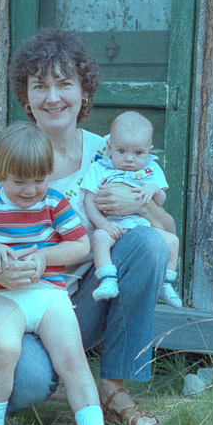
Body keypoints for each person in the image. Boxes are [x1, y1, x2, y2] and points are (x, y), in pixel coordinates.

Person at [0, 28, 172, 425]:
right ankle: (22, 369)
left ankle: (112, 385)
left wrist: (139, 204)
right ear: (26, 96)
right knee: (30, 385)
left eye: (64, 84)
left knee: (147, 242)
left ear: (84, 92)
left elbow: (167, 231)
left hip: (70, 305)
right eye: (40, 86)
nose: (53, 97)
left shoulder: (110, 153)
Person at [0, 122, 132, 425]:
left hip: (50, 295)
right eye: (20, 181)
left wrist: (45, 256)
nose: (31, 190)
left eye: (39, 179)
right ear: (1, 173)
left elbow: (79, 243)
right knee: (3, 349)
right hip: (5, 298)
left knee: (72, 359)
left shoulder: (55, 202)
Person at [80, 111, 182, 308]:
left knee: (173, 241)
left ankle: (166, 284)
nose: (129, 159)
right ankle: (107, 279)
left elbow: (160, 200)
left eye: (138, 153)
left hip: (141, 226)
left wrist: (153, 189)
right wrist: (103, 224)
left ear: (148, 151)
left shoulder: (151, 171)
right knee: (100, 238)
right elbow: (89, 201)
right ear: (109, 148)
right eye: (121, 151)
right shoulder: (100, 169)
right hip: (115, 226)